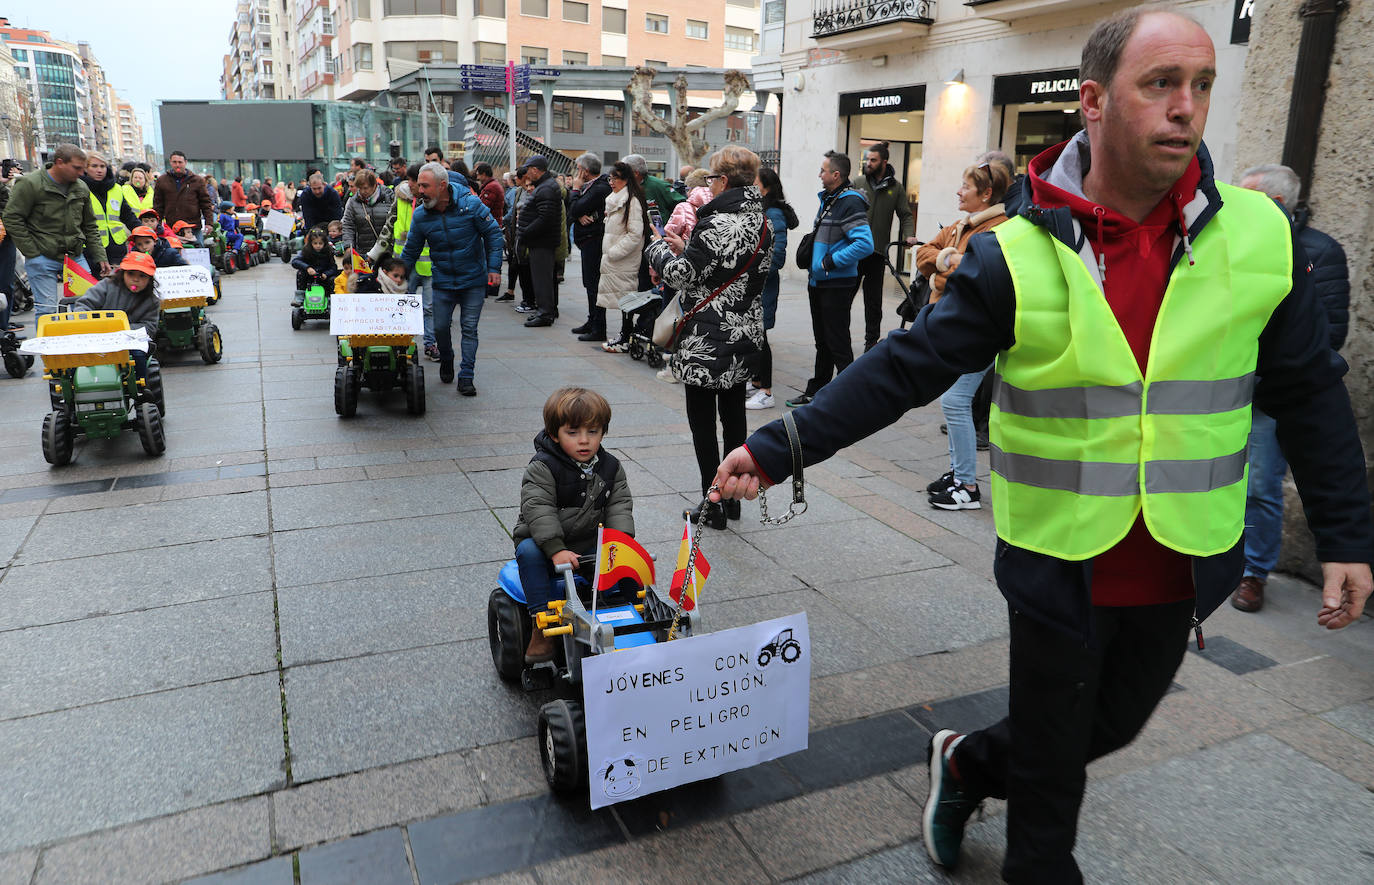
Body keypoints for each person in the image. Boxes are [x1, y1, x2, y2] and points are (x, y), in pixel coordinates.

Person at [709, 9, 1374, 881]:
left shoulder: (1258, 236)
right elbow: (905, 368)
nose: (1186, 107)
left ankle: (969, 763)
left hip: (1183, 554)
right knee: (1053, 792)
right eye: (1161, 84)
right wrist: (780, 445)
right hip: (1060, 559)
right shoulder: (1013, 253)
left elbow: (1310, 392)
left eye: (1201, 85)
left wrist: (1348, 537)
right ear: (1094, 101)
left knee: (1113, 725)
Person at [1231, 163, 1350, 613]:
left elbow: (1327, 334)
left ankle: (1252, 573)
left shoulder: (1319, 250)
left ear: (1277, 204)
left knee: (1260, 486)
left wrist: (1265, 373)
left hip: (1268, 396)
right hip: (1222, 389)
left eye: (1249, 197)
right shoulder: (1233, 243)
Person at [647, 146, 771, 530]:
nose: (711, 185)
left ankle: (711, 503)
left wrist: (658, 251)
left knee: (702, 423)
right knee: (734, 419)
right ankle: (732, 500)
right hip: (745, 331)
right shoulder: (763, 221)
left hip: (708, 336)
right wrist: (691, 251)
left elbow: (683, 276)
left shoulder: (715, 221)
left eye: (713, 179)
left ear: (723, 180)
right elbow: (728, 267)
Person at [914, 160, 1012, 510]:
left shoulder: (995, 231)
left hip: (979, 330)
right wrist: (945, 259)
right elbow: (923, 252)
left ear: (986, 194)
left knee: (955, 401)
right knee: (952, 401)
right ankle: (959, 473)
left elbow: (968, 282)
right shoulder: (962, 225)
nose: (959, 191)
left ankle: (967, 486)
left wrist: (939, 274)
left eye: (966, 186)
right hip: (956, 326)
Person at [512, 387, 634, 663]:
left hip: (588, 538)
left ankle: (628, 614)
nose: (584, 441)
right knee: (528, 553)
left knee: (626, 566)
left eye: (592, 432)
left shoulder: (611, 467)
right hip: (544, 540)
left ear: (603, 432)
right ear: (555, 434)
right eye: (573, 432)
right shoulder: (542, 466)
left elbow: (620, 506)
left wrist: (620, 543)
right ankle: (541, 625)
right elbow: (538, 508)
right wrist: (555, 549)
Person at [400, 161, 503, 396]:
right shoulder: (421, 214)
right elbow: (411, 250)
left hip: (473, 280)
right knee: (439, 328)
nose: (420, 191)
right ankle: (447, 359)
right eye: (420, 186)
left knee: (469, 328)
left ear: (442, 185)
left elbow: (494, 235)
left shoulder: (471, 205)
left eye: (425, 186)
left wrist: (494, 268)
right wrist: (396, 275)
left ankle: (466, 376)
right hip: (443, 282)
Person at [787, 150, 872, 408]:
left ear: (836, 175)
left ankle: (851, 396)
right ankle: (818, 389)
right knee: (823, 340)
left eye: (823, 170)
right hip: (820, 282)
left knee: (837, 341)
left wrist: (829, 261)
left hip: (836, 283)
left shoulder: (850, 202)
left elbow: (865, 244)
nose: (819, 174)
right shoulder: (831, 199)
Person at [2, 143, 107, 321]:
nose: (81, 173)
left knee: (85, 309)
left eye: (83, 169)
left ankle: (82, 348)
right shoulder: (30, 184)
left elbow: (89, 225)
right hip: (42, 257)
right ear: (59, 162)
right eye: (76, 168)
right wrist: (32, 253)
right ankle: (49, 349)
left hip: (74, 256)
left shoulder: (81, 187)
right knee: (48, 312)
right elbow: (12, 218)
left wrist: (100, 256)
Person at [852, 141, 914, 352]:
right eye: (867, 159)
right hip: (853, 251)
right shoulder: (858, 182)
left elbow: (905, 215)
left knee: (873, 302)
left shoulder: (895, 188)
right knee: (844, 296)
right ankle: (838, 334)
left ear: (884, 162)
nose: (868, 163)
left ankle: (871, 342)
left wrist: (909, 235)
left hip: (877, 253)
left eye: (873, 160)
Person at [746, 166, 798, 410]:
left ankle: (766, 391)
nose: (752, 186)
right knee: (756, 334)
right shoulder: (764, 209)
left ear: (764, 186)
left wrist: (755, 269)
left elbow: (777, 255)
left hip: (764, 284)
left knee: (761, 335)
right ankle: (756, 381)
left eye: (755, 182)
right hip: (757, 282)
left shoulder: (774, 213)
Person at [73, 251, 159, 383]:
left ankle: (141, 389)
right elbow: (84, 304)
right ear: (123, 273)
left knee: (138, 356)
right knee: (73, 359)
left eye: (142, 276)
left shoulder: (152, 301)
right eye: (131, 274)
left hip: (128, 342)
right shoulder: (107, 285)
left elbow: (150, 327)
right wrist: (87, 322)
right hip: (97, 336)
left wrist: (122, 330)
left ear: (150, 279)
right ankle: (71, 387)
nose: (136, 279)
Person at [596, 161, 649, 354]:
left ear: (626, 179)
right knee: (622, 297)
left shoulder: (631, 201)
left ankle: (625, 337)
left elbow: (636, 234)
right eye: (610, 178)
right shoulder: (616, 199)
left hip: (624, 258)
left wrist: (614, 252)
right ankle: (624, 335)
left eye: (615, 178)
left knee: (626, 297)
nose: (612, 182)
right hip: (616, 258)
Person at [392, 163, 437, 361]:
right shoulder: (400, 198)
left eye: (415, 181)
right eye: (411, 180)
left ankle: (430, 344)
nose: (411, 184)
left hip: (428, 265)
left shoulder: (432, 202)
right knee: (404, 305)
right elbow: (389, 224)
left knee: (429, 307)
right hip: (405, 264)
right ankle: (404, 342)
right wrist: (376, 254)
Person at [514, 156, 563, 328]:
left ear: (535, 169)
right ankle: (544, 311)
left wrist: (526, 232)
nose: (526, 173)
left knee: (542, 280)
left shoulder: (546, 188)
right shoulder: (546, 186)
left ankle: (545, 314)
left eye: (528, 169)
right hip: (541, 241)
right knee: (542, 279)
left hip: (542, 242)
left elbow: (545, 218)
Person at [568, 153, 612, 341]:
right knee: (589, 285)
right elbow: (574, 212)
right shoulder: (592, 186)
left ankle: (598, 327)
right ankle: (591, 320)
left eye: (578, 169)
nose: (576, 173)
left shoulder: (599, 187)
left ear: (585, 171)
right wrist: (578, 214)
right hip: (588, 240)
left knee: (594, 285)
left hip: (594, 241)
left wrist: (575, 191)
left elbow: (574, 208)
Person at [82, 151, 141, 266]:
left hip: (117, 247)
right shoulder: (80, 188)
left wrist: (142, 232)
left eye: (102, 166)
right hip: (91, 248)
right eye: (94, 166)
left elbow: (128, 216)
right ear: (85, 168)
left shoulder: (116, 188)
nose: (99, 170)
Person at [153, 151, 214, 244]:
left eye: (180, 162)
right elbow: (158, 205)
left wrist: (209, 223)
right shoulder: (162, 181)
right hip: (172, 227)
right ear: (170, 162)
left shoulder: (197, 180)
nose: (177, 165)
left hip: (193, 226)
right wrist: (156, 224)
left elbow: (206, 203)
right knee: (173, 255)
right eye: (174, 162)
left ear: (185, 162)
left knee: (197, 254)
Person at [340, 168, 396, 263]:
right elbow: (348, 225)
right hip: (364, 252)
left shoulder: (389, 197)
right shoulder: (353, 202)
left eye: (365, 188)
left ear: (374, 185)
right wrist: (348, 246)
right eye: (359, 188)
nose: (362, 191)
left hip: (387, 252)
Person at [473, 163, 505, 298]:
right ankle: (491, 287)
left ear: (483, 174)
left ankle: (490, 287)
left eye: (478, 173)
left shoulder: (490, 187)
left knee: (489, 256)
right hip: (494, 224)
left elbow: (483, 207)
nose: (477, 176)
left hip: (490, 225)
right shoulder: (492, 185)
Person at [291, 227, 340, 304]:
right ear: (311, 243)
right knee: (300, 273)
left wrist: (326, 274)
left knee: (333, 279)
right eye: (315, 243)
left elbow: (334, 267)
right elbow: (295, 261)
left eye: (320, 243)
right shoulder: (306, 251)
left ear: (324, 243)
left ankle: (331, 297)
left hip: (323, 277)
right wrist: (307, 268)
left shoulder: (329, 252)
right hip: (309, 276)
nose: (318, 246)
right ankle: (300, 295)